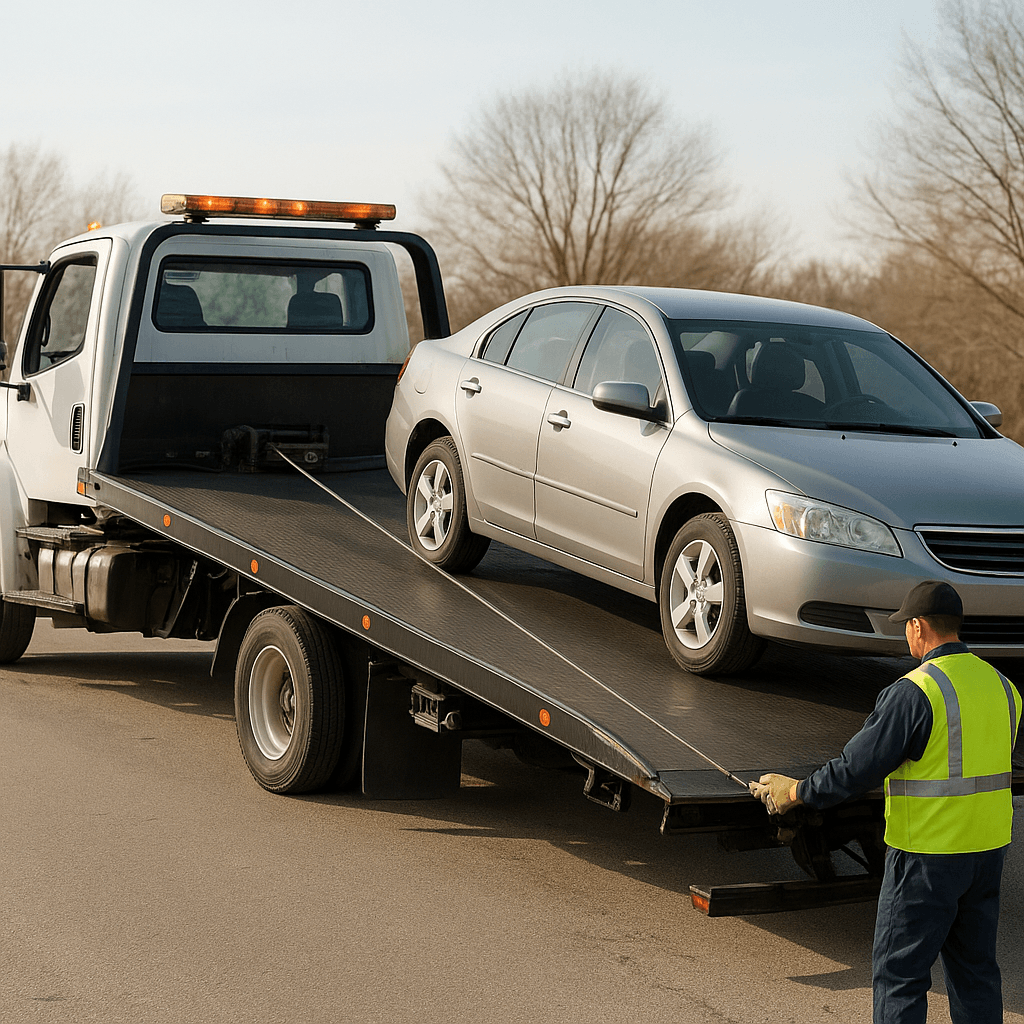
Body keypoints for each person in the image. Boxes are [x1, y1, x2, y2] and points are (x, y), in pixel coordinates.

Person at [751, 580, 1020, 1024]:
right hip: (987, 852)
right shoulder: (1004, 687)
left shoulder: (916, 691)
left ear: (917, 627)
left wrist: (795, 792)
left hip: (927, 857)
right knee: (975, 973)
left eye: (905, 627)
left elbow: (856, 769)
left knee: (901, 976)